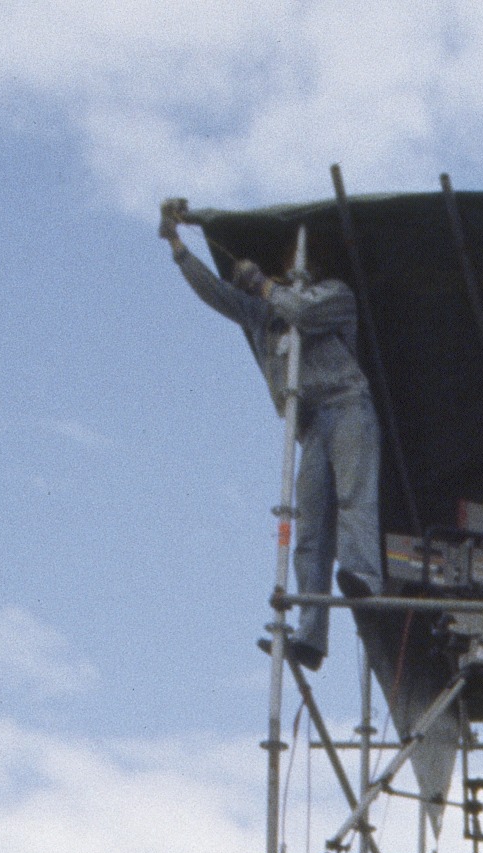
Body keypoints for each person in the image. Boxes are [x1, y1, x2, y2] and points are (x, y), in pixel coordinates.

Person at [161, 203, 380, 671]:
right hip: (310, 424)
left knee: (353, 498)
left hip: (345, 407)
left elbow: (299, 308)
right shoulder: (265, 316)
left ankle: (363, 574)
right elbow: (218, 296)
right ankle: (310, 635)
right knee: (309, 529)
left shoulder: (334, 296)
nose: (293, 272)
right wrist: (179, 249)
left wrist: (262, 284)